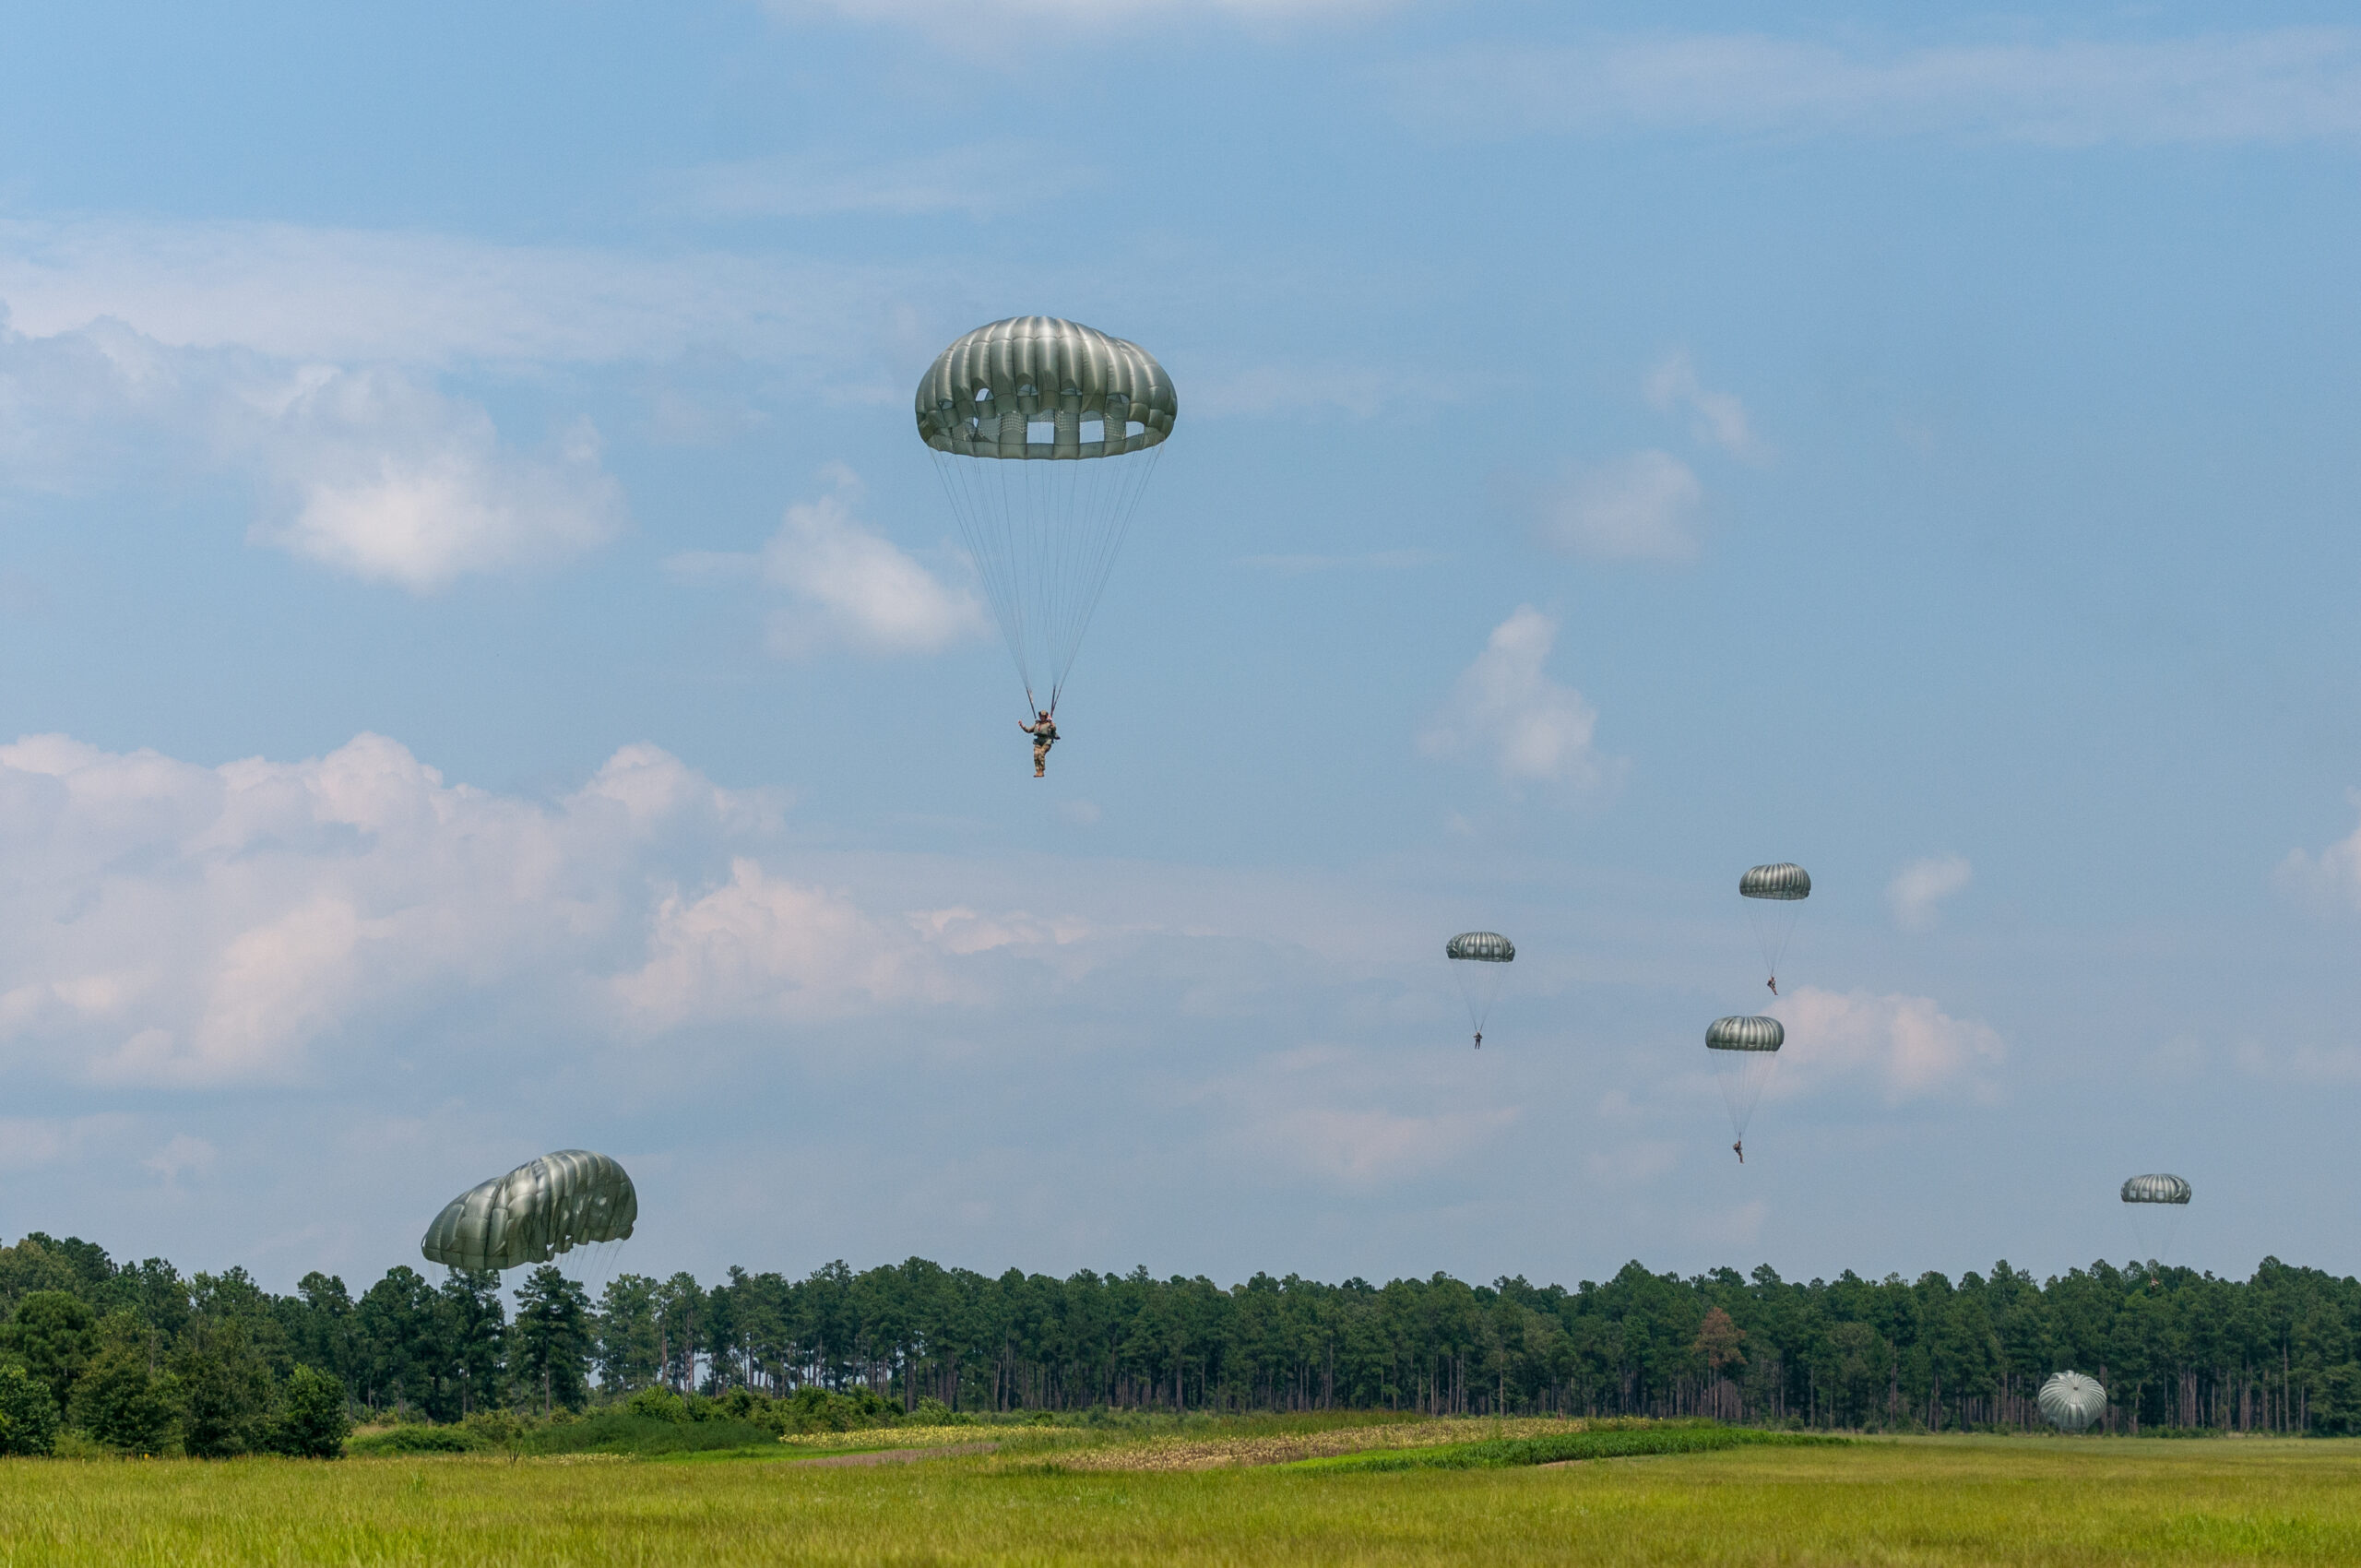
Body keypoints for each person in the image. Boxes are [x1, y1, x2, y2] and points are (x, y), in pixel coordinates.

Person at [1020, 710, 1059, 778]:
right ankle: (1038, 770)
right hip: (1038, 741)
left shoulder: (1049, 724)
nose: (1041, 717)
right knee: (1036, 754)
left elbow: (1054, 728)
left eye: (1043, 716)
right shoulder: (1037, 724)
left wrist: (1051, 721)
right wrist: (1022, 726)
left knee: (1041, 753)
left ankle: (1042, 770)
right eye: (1040, 716)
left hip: (1046, 742)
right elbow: (1029, 730)